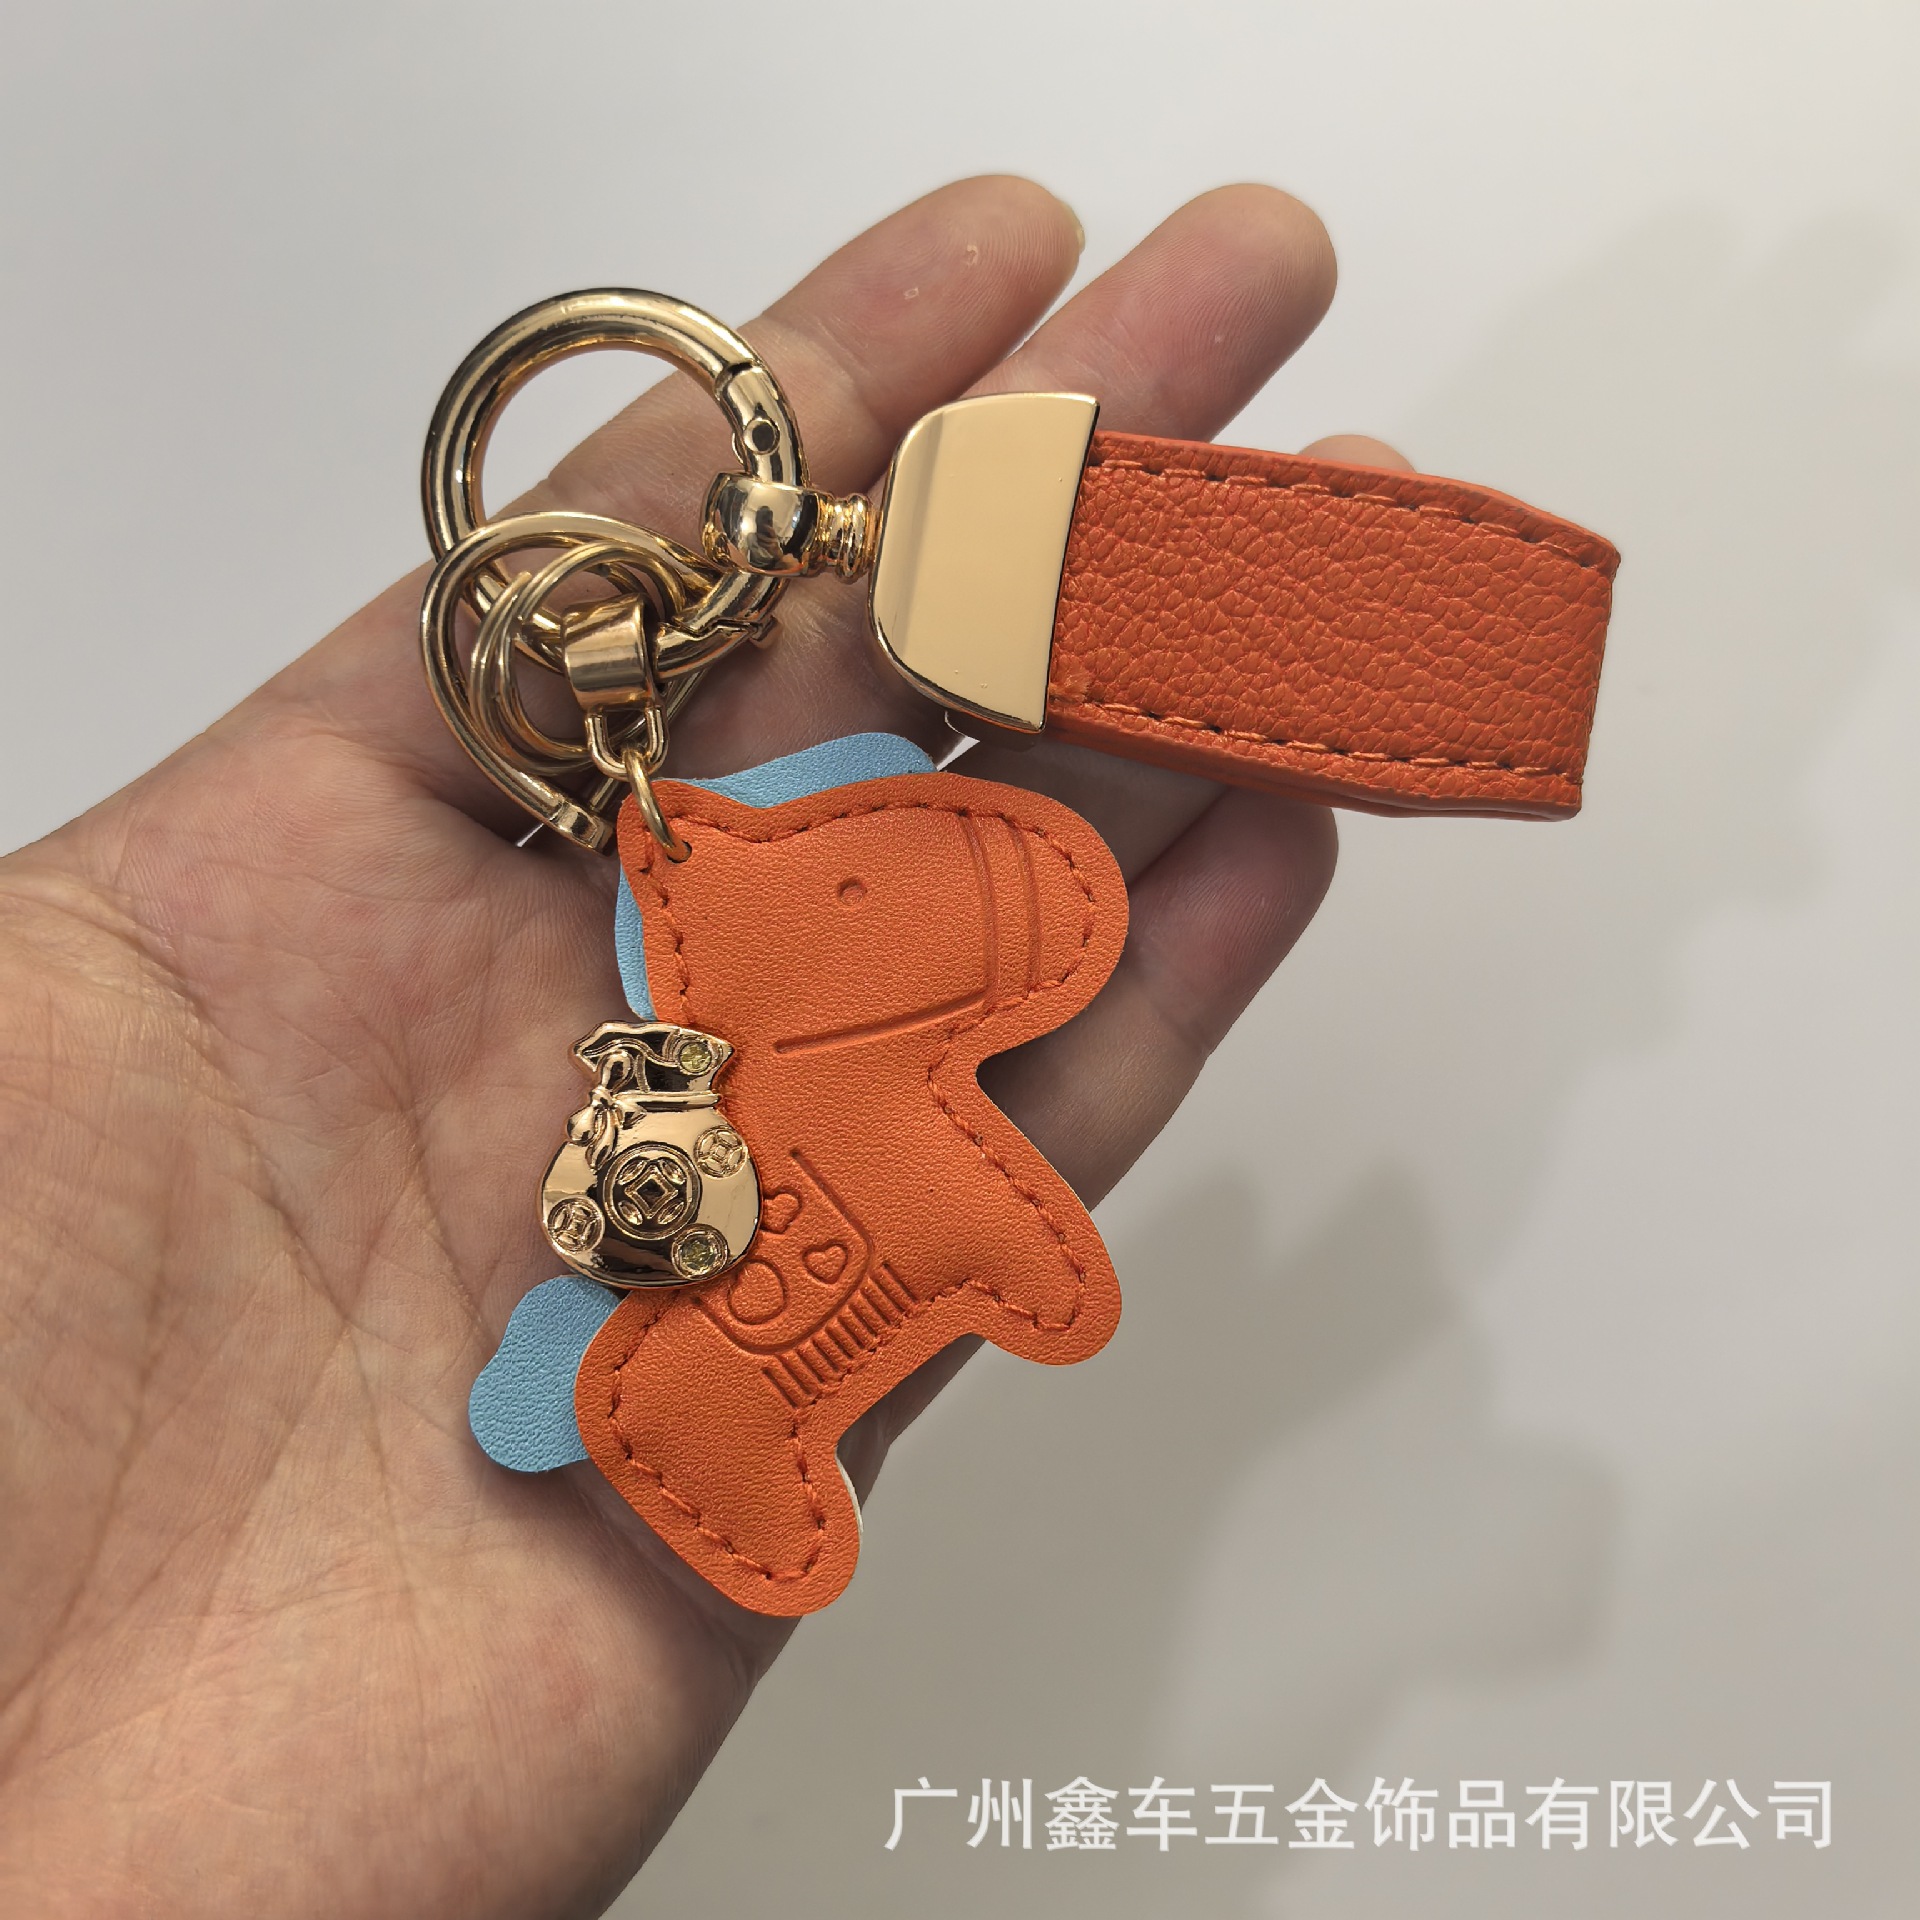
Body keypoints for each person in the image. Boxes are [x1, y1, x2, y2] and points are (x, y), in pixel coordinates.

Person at [0, 176, 1410, 1917]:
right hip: (696, 1361)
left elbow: (975, 1208)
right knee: (677, 1389)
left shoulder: (795, 971)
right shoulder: (726, 957)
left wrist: (1006, 1256)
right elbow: (980, 1213)